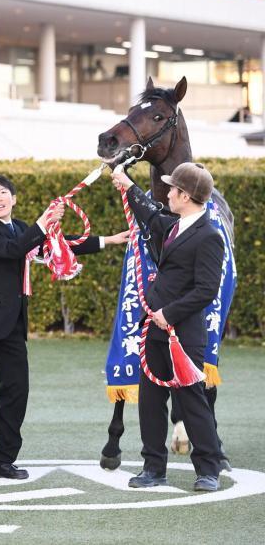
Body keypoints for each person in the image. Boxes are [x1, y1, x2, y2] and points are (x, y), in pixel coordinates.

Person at [0, 175, 126, 479]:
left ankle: (1, 460)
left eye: (4, 192)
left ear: (14, 199)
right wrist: (42, 223)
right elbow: (13, 249)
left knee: (16, 391)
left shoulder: (23, 229)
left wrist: (109, 240)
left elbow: (57, 248)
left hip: (12, 323)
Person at [111, 162, 225, 492]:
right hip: (156, 329)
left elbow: (206, 289)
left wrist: (169, 313)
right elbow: (150, 216)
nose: (167, 193)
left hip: (182, 334)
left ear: (185, 196)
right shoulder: (175, 225)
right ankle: (153, 467)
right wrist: (125, 182)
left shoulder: (209, 236)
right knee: (150, 400)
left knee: (191, 401)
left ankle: (208, 470)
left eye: (172, 189)